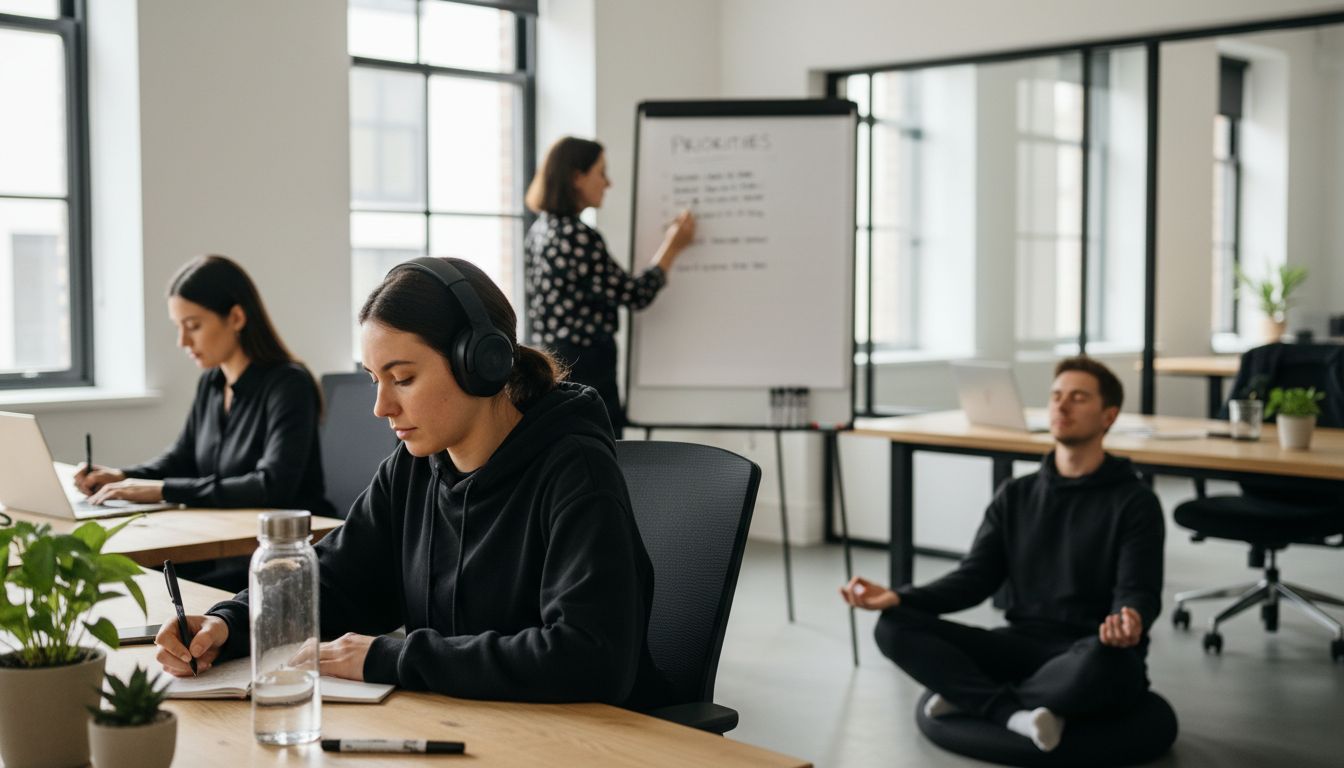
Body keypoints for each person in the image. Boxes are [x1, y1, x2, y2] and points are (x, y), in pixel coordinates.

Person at [155, 257, 673, 710]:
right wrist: (229, 623)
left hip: (587, 741)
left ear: (481, 364)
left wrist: (393, 656)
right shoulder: (414, 467)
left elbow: (589, 656)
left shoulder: (573, 470)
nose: (382, 407)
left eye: (402, 378)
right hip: (472, 723)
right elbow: (337, 579)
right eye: (374, 379)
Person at [840, 357, 1164, 753]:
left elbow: (1138, 591)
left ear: (1108, 416)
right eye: (1056, 396)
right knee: (892, 626)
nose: (1062, 407)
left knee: (1108, 667)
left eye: (1078, 398)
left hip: (1087, 650)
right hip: (1018, 645)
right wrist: (901, 597)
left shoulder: (1135, 502)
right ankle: (1014, 714)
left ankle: (975, 698)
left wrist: (1129, 620)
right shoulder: (1016, 495)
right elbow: (973, 579)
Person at [74, 254, 333, 518]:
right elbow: (182, 459)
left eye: (193, 326)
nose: (183, 341)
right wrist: (122, 477)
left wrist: (164, 491)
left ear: (236, 317)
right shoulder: (212, 382)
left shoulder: (289, 385)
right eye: (178, 327)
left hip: (284, 544)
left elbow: (271, 486)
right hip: (225, 531)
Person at [523, 136, 695, 432]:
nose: (608, 183)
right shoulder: (576, 236)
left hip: (550, 362)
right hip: (586, 366)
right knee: (601, 450)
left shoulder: (540, 229)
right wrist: (672, 246)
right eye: (601, 172)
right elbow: (635, 294)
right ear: (577, 177)